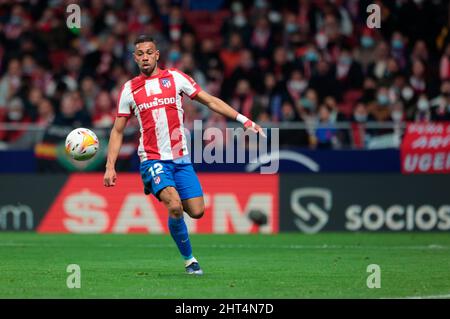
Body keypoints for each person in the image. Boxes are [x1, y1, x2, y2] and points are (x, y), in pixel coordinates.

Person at [103, 35, 265, 275]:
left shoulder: (176, 78)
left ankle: (162, 192)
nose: (145, 57)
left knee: (197, 210)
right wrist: (110, 166)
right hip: (152, 159)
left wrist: (244, 119)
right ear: (134, 58)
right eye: (140, 53)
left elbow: (210, 101)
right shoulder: (129, 89)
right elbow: (117, 131)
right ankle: (190, 261)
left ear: (157, 55)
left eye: (149, 52)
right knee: (175, 206)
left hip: (180, 160)